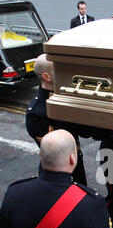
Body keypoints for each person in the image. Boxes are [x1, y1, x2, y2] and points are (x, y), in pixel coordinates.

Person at [26, 53, 90, 185]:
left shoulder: (65, 96)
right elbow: (55, 151)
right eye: (59, 69)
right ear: (46, 76)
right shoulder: (37, 112)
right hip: (57, 173)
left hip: (75, 163)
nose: (65, 72)